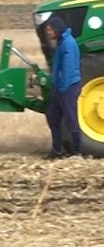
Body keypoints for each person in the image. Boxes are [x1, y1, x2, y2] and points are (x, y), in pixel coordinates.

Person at [43, 15, 83, 158]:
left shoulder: (68, 44)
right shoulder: (61, 42)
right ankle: (57, 150)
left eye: (49, 30)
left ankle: (78, 151)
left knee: (71, 119)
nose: (47, 33)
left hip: (68, 88)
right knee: (52, 117)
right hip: (59, 87)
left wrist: (62, 88)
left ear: (57, 29)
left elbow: (68, 68)